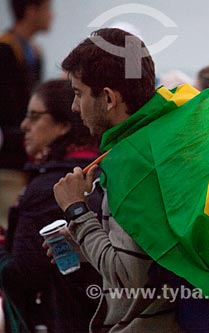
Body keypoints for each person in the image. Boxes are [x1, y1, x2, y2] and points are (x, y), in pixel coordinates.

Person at [53, 28, 181, 332]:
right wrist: (84, 245)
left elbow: (130, 278)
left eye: (78, 93)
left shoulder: (133, 165)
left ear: (108, 98)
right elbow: (145, 259)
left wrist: (77, 211)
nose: (74, 107)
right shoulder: (155, 142)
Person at [0, 79, 101, 332]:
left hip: (60, 319)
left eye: (35, 117)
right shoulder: (102, 169)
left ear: (63, 125)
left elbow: (23, 275)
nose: (24, 126)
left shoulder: (50, 186)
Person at [0, 0, 53, 228]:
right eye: (47, 9)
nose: (52, 15)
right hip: (8, 158)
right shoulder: (5, 49)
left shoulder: (33, 50)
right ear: (31, 11)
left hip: (26, 155)